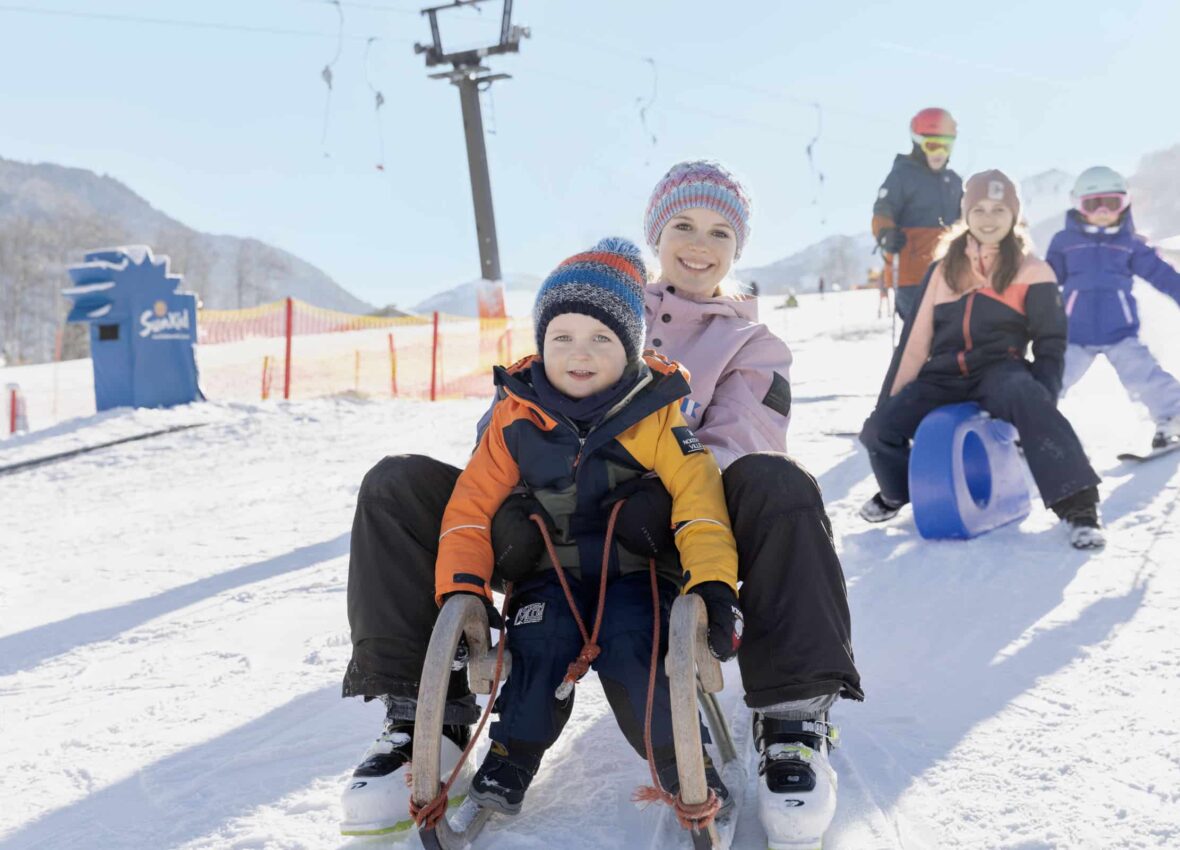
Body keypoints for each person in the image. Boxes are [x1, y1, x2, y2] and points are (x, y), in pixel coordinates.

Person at [340, 160, 863, 849]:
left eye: (718, 232)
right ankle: (422, 720)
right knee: (397, 485)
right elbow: (502, 431)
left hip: (664, 532)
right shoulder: (591, 297)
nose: (698, 244)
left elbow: (742, 446)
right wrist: (520, 506)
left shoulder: (750, 345)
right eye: (682, 224)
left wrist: (648, 487)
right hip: (545, 521)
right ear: (656, 232)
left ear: (738, 248)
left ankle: (793, 721)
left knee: (779, 484)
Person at [433, 237, 742, 816]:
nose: (580, 353)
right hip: (550, 578)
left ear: (629, 349)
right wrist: (463, 589)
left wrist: (713, 585)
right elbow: (470, 510)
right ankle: (512, 755)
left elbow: (701, 505)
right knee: (536, 647)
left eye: (601, 338)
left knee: (640, 652)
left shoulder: (656, 414)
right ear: (542, 344)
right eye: (562, 337)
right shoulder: (515, 417)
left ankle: (682, 763)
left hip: (636, 575)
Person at [858, 170, 1105, 550]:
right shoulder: (942, 269)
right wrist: (887, 403)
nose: (989, 218)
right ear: (966, 213)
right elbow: (914, 342)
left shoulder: (1032, 269)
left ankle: (1079, 507)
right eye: (980, 209)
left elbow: (1050, 340)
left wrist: (1043, 397)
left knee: (1026, 394)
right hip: (941, 376)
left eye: (999, 209)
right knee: (878, 430)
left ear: (1014, 215)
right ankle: (898, 492)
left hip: (999, 371)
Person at [1047, 166, 1180, 450]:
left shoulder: (1128, 244)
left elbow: (1161, 274)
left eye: (1112, 203)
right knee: (1052, 377)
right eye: (1094, 204)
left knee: (1144, 374)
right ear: (1078, 205)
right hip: (1075, 335)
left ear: (1125, 203)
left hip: (1120, 332)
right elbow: (1045, 281)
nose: (1103, 211)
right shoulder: (1064, 242)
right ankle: (1029, 427)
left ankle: (1174, 417)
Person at [872, 107, 964, 321]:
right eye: (932, 146)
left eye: (946, 145)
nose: (939, 153)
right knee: (922, 328)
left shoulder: (954, 181)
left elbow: (966, 217)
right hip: (911, 273)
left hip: (948, 270)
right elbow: (883, 209)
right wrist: (886, 232)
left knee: (950, 329)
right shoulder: (902, 176)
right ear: (917, 143)